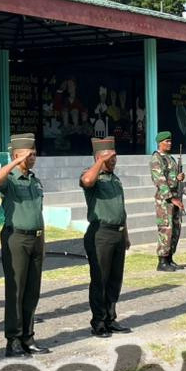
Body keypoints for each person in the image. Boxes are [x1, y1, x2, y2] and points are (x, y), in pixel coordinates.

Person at [0, 133, 49, 357]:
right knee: (16, 290)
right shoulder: (11, 179)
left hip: (36, 238)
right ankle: (13, 340)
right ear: (16, 156)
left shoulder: (34, 180)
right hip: (16, 238)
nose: (32, 157)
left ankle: (28, 337)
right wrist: (14, 163)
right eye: (28, 154)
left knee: (32, 290)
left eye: (34, 153)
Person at [81, 137, 131, 338]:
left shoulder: (115, 179)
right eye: (109, 157)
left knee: (114, 280)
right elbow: (87, 181)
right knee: (100, 280)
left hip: (117, 233)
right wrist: (100, 162)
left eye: (114, 157)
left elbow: (121, 209)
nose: (113, 160)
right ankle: (99, 322)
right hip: (100, 234)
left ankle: (110, 318)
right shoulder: (92, 176)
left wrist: (125, 235)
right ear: (98, 158)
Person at [149, 131, 184, 271]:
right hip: (165, 199)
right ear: (159, 143)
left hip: (174, 196)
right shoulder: (156, 159)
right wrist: (171, 198)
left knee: (175, 228)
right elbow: (160, 181)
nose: (169, 143)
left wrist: (179, 177)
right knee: (166, 229)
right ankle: (162, 261)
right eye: (166, 141)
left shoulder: (170, 158)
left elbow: (171, 177)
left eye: (170, 141)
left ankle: (170, 258)